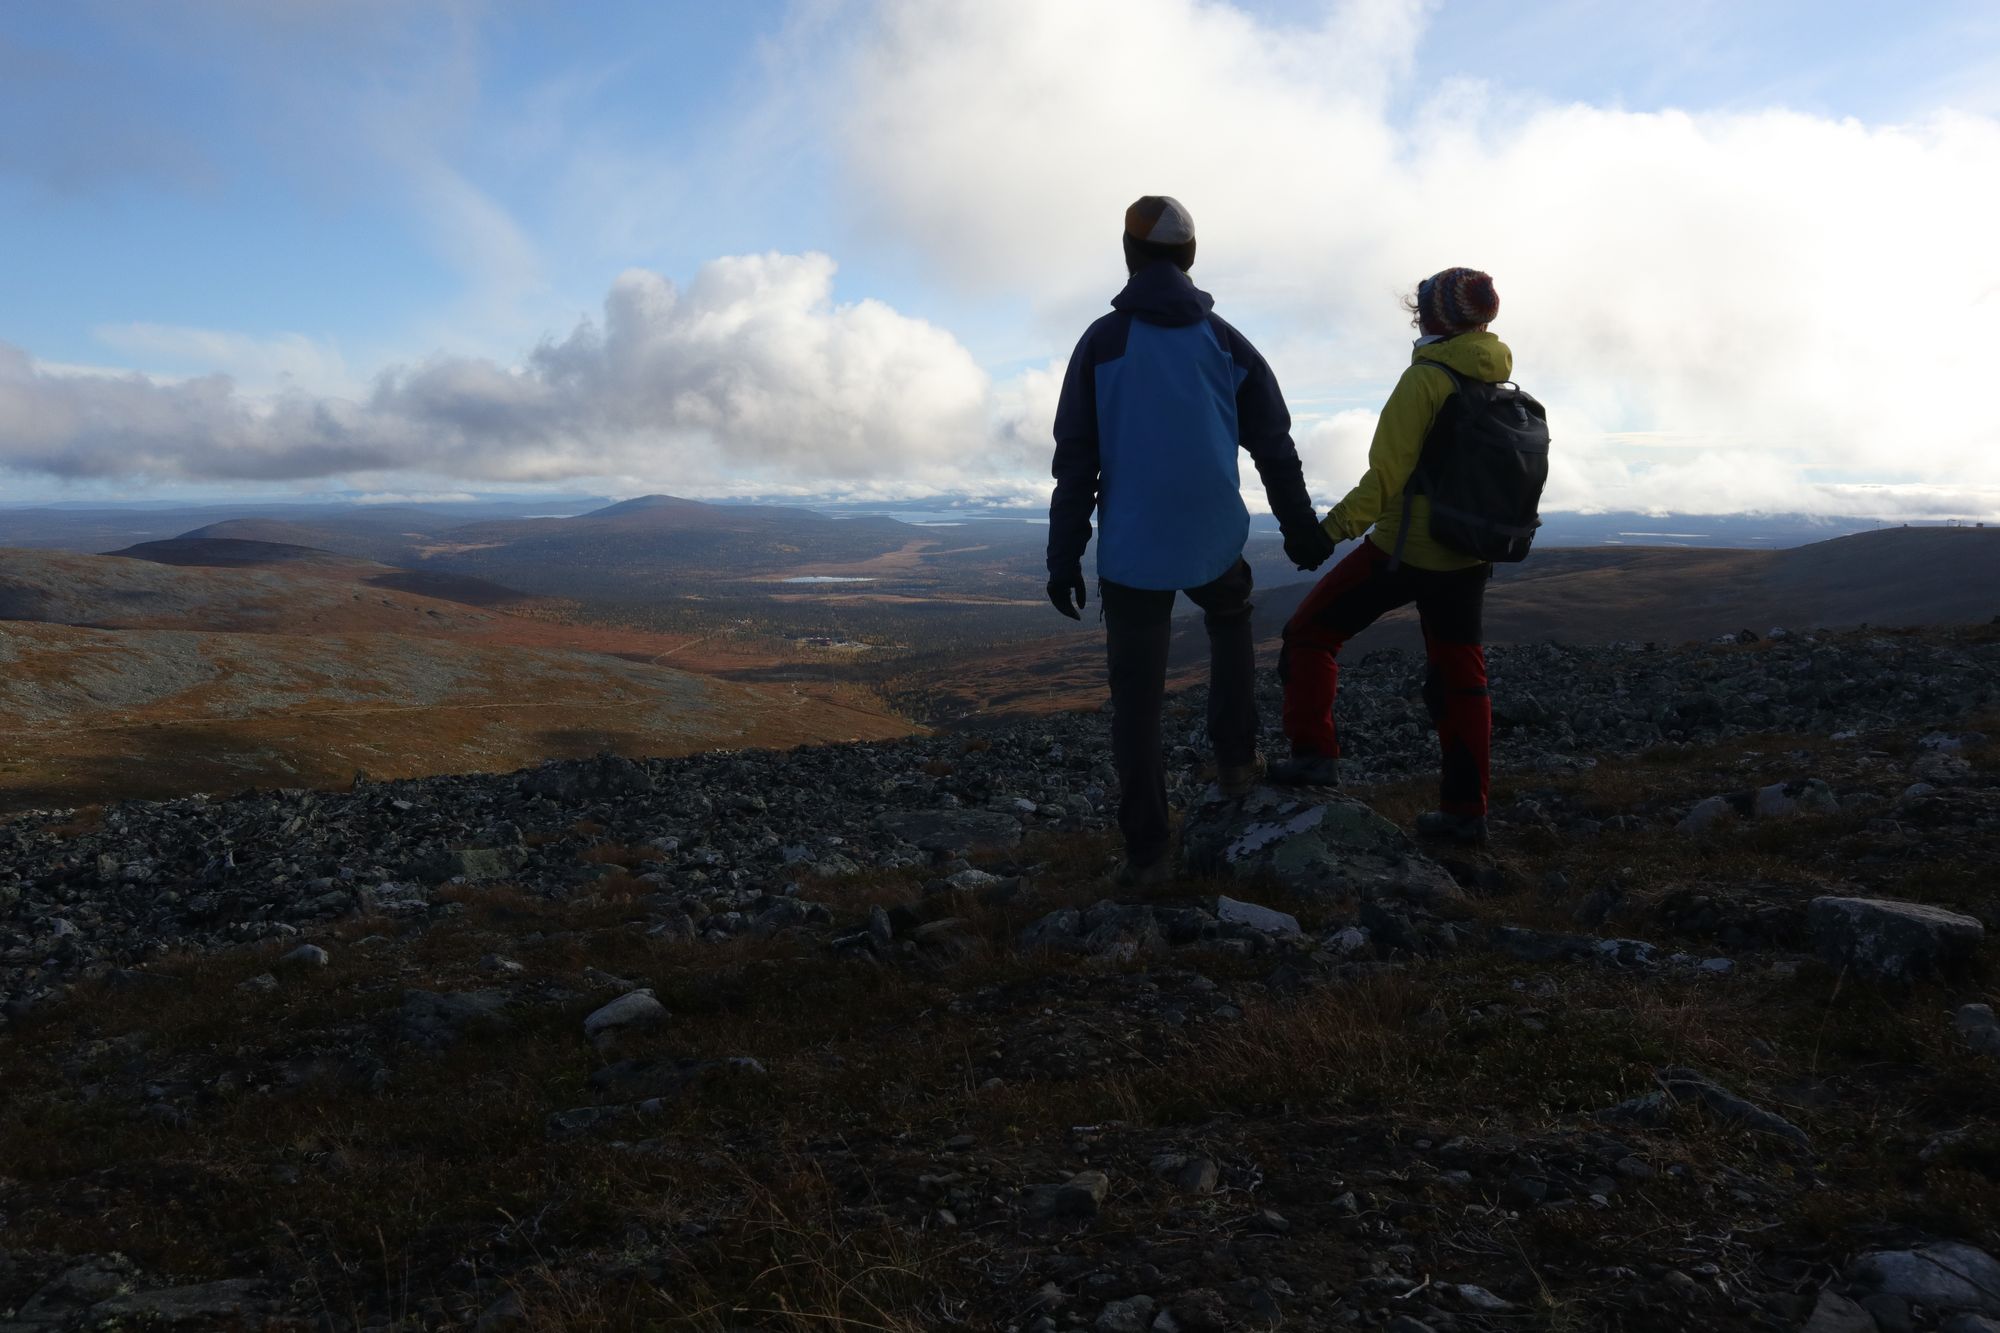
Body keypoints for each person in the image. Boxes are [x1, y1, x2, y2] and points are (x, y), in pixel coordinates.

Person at [1047, 195, 1335, 885]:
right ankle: (1237, 762)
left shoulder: (1101, 343)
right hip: (1213, 534)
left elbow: (1076, 458)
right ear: (1191, 257)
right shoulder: (1225, 340)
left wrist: (1063, 554)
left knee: (1136, 698)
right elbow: (1274, 444)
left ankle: (1148, 855)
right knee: (1229, 616)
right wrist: (1300, 528)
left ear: (1130, 255)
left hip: (1134, 549)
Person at [1271, 267, 1510, 845]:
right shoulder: (1496, 381)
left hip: (1407, 550)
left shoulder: (1425, 381)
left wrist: (1325, 535)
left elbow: (1384, 481)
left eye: (1421, 308)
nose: (1417, 317)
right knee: (1460, 677)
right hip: (1470, 555)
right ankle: (1465, 813)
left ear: (1437, 317)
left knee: (1310, 634)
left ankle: (1315, 757)